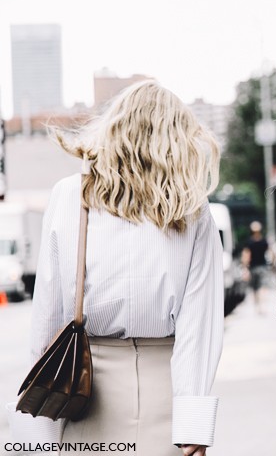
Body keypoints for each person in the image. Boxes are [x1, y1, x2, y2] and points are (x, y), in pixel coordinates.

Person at [21, 81, 224, 456]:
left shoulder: (71, 195)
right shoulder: (192, 209)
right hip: (168, 391)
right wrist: (193, 424)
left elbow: (46, 325)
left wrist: (43, 436)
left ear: (113, 128)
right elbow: (200, 325)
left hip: (85, 389)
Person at [240, 221, 269, 313]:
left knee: (256, 287)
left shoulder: (249, 242)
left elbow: (246, 255)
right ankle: (260, 306)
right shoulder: (263, 241)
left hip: (254, 267)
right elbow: (270, 253)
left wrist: (244, 268)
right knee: (260, 286)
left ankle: (258, 306)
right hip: (261, 266)